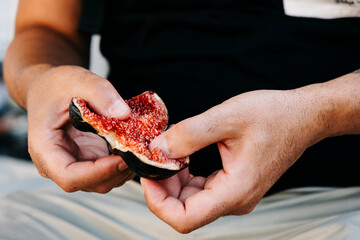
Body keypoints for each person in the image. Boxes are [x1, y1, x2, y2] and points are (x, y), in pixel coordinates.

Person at [3, 0, 360, 234]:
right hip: (111, 205)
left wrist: (318, 112)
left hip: (335, 205)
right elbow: (44, 28)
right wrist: (38, 80)